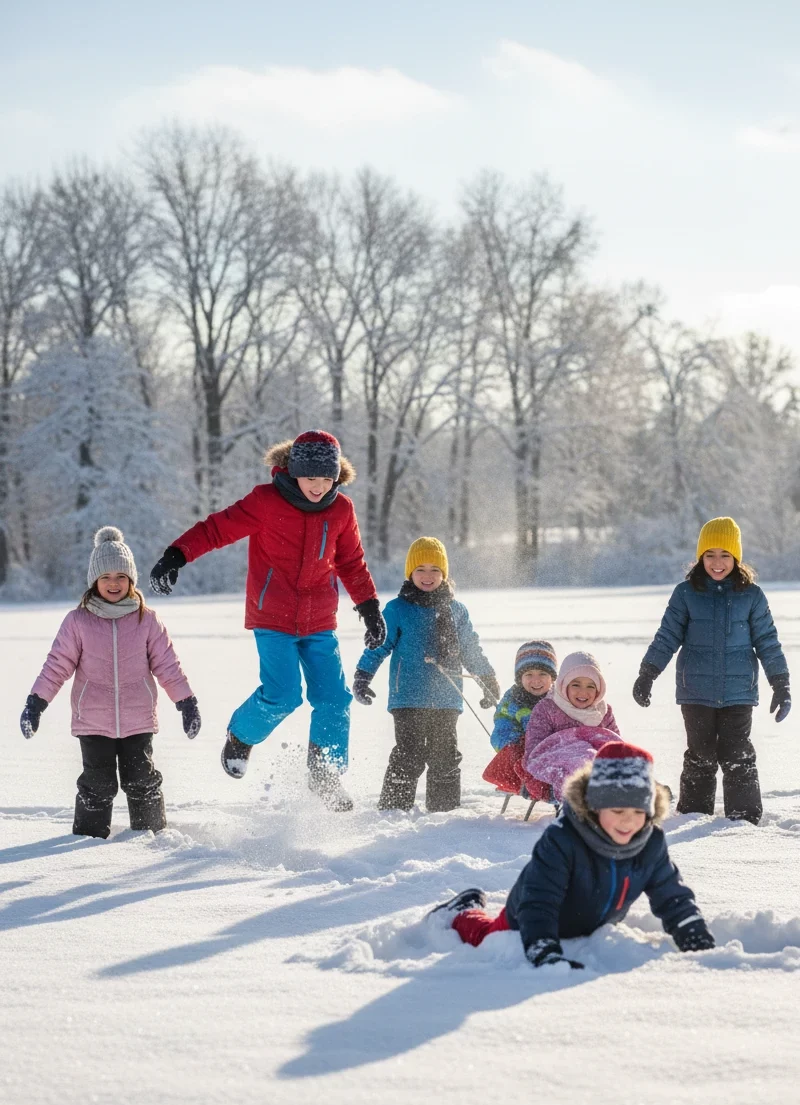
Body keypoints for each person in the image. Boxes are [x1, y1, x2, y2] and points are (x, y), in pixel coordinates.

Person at [149, 430, 385, 812]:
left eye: (327, 480)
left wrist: (370, 607)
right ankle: (241, 735)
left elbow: (351, 562)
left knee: (333, 698)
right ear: (294, 471)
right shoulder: (266, 501)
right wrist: (177, 554)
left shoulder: (341, 510)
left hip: (320, 619)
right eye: (312, 478)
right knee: (283, 694)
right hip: (272, 616)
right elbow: (216, 529)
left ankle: (325, 772)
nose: (319, 487)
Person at [429, 741, 715, 967]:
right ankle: (461, 912)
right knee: (487, 936)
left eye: (638, 812)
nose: (628, 821)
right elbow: (538, 902)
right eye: (617, 811)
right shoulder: (563, 839)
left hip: (589, 923)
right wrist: (542, 947)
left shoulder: (650, 843)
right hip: (527, 919)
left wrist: (691, 930)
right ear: (595, 806)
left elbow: (671, 894)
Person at [20, 527, 199, 839]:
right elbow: (57, 666)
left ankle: (151, 837)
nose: (113, 583)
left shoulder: (147, 619)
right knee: (97, 783)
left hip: (138, 718)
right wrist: (36, 703)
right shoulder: (78, 621)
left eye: (120, 576)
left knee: (142, 779)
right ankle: (88, 841)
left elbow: (167, 665)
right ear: (94, 581)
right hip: (93, 720)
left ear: (131, 580)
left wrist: (186, 702)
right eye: (106, 577)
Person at [632, 516, 790, 825]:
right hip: (696, 691)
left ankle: (743, 819)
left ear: (736, 558)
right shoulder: (686, 593)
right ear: (700, 557)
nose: (717, 562)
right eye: (710, 555)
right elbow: (667, 636)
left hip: (739, 691)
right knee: (700, 752)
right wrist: (648, 672)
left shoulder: (752, 596)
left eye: (725, 555)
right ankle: (693, 814)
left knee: (737, 753)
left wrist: (780, 683)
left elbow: (768, 642)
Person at [352, 537, 499, 812]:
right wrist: (363, 675)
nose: (428, 576)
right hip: (407, 696)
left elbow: (470, 650)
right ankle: (393, 810)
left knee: (445, 757)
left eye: (435, 569)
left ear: (444, 574)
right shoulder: (397, 609)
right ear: (410, 572)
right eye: (420, 569)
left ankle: (443, 813)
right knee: (409, 755)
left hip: (446, 698)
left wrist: (486, 678)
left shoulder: (457, 611)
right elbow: (379, 645)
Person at [516, 650, 621, 802]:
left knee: (620, 763)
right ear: (564, 684)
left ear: (599, 689)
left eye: (591, 686)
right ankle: (580, 798)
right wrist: (533, 778)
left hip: (598, 763)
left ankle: (636, 791)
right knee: (582, 759)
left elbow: (615, 743)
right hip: (559, 762)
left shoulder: (603, 711)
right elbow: (535, 747)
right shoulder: (548, 708)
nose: (583, 692)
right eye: (576, 685)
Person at [482, 640, 557, 796]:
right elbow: (502, 730)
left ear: (553, 677)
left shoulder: (561, 699)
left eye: (543, 674)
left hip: (555, 752)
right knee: (515, 755)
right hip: (521, 755)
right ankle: (530, 785)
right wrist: (518, 743)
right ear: (519, 678)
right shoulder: (512, 701)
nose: (536, 680)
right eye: (529, 674)